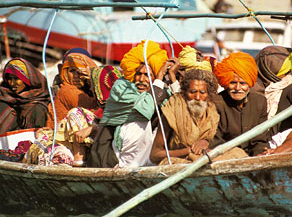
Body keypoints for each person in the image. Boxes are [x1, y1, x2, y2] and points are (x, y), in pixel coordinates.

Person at [87, 40, 173, 168]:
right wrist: (159, 78)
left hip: (145, 158)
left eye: (148, 75)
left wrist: (173, 77)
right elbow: (146, 108)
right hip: (111, 158)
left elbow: (176, 105)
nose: (142, 79)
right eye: (139, 74)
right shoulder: (122, 88)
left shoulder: (160, 91)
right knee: (140, 121)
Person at [151, 69, 247, 165]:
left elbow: (216, 141)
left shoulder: (212, 112)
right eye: (192, 92)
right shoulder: (172, 111)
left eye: (202, 92)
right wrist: (188, 151)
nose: (197, 97)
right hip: (181, 162)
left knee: (238, 153)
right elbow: (155, 155)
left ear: (208, 94)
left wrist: (205, 142)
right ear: (184, 93)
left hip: (205, 157)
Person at [212, 52, 269, 156]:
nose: (238, 88)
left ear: (250, 84)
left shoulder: (260, 102)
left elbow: (260, 139)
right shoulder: (216, 103)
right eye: (233, 83)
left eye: (243, 83)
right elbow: (216, 141)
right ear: (226, 83)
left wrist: (260, 153)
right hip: (226, 156)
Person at [46, 51, 98, 128]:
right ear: (65, 72)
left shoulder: (87, 90)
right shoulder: (67, 91)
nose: (76, 76)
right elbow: (98, 109)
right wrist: (95, 80)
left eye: (81, 72)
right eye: (72, 71)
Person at [0, 58, 50, 133]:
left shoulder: (38, 107)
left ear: (27, 79)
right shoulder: (4, 97)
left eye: (16, 78)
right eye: (9, 79)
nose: (12, 83)